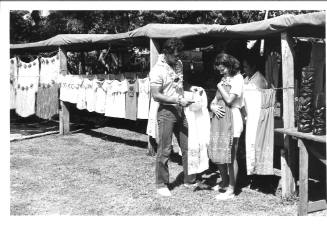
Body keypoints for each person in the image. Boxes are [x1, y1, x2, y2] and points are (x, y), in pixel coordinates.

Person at [150, 38, 197, 197]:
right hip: (166, 112)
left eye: (179, 55)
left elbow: (179, 85)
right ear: (166, 53)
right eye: (175, 55)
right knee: (165, 149)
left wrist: (192, 89)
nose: (178, 58)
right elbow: (156, 95)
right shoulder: (157, 70)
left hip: (180, 110)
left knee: (187, 145)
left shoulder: (179, 64)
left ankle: (189, 179)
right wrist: (177, 100)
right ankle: (161, 183)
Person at [209, 53, 244, 200]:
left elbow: (229, 100)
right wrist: (212, 106)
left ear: (229, 65)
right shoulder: (225, 79)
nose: (220, 72)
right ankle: (224, 182)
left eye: (222, 69)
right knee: (219, 150)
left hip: (233, 119)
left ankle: (231, 189)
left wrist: (219, 85)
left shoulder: (238, 79)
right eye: (219, 70)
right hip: (221, 119)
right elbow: (216, 99)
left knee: (230, 156)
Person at [242, 51, 270, 190]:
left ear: (253, 67)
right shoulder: (248, 77)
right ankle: (253, 175)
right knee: (251, 146)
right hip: (251, 117)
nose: (244, 69)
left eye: (246, 67)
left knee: (257, 146)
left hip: (257, 118)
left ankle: (260, 177)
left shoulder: (259, 79)